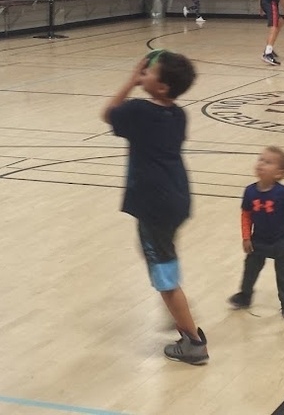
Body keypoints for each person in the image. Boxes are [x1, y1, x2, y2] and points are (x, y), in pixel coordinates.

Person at [102, 50, 208, 365]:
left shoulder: (138, 110)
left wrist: (130, 83)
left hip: (154, 202)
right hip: (177, 197)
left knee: (165, 276)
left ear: (161, 87)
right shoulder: (178, 114)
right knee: (157, 254)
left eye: (149, 72)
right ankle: (178, 310)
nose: (143, 74)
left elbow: (109, 113)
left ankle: (193, 342)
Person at [228, 146, 284, 320]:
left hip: (282, 241)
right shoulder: (249, 191)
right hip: (258, 241)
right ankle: (245, 296)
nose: (261, 163)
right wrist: (246, 237)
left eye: (268, 162)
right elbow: (246, 215)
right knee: (250, 270)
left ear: (279, 173)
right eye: (260, 159)